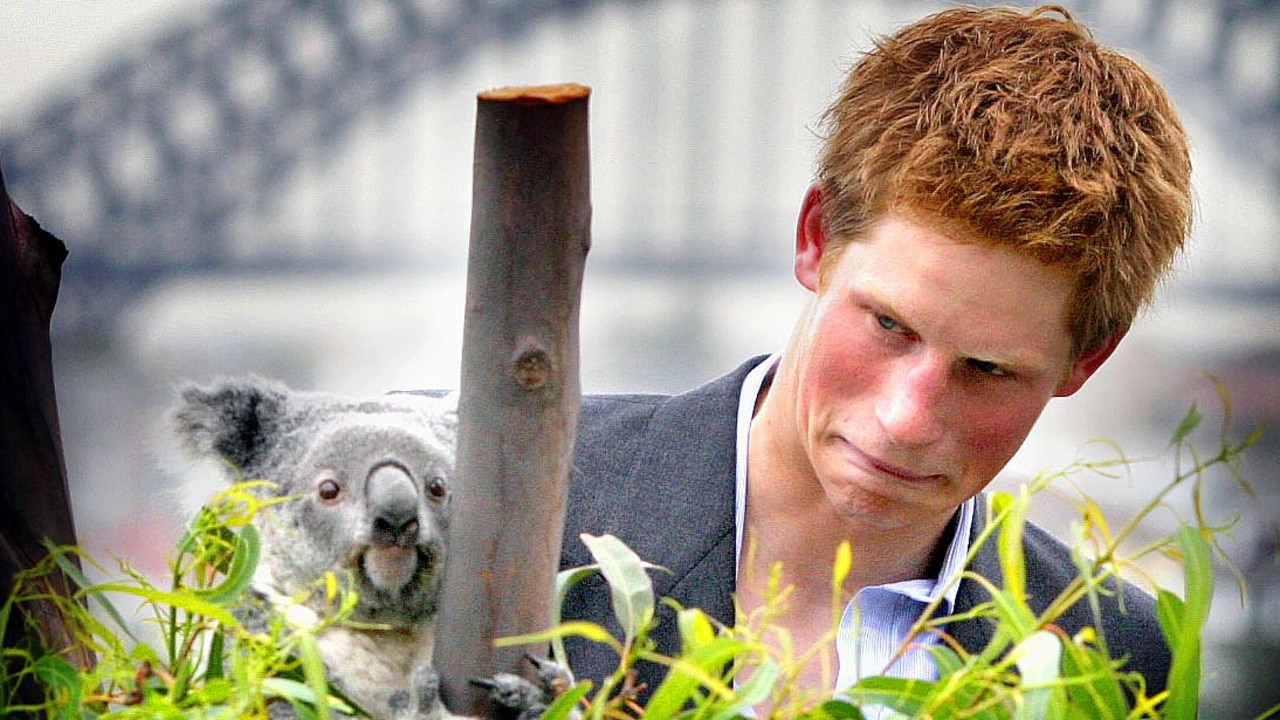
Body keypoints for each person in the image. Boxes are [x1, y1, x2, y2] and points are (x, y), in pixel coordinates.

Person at [557, 3, 1191, 709]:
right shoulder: (515, 506)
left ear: (1087, 361)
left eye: (988, 370)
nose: (908, 418)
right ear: (817, 239)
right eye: (889, 325)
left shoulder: (1116, 655)